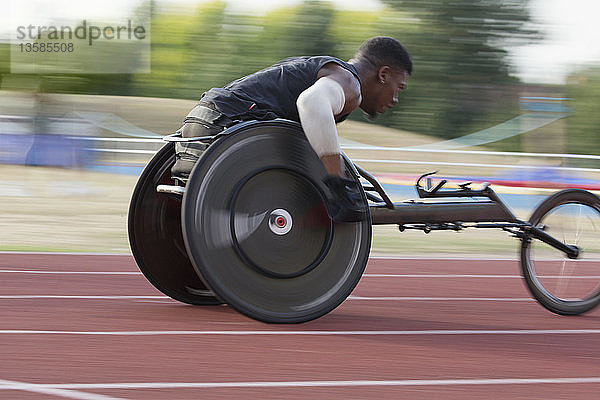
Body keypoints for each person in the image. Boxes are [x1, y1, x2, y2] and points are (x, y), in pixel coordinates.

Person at [172, 36, 412, 222]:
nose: (395, 100)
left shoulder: (321, 67)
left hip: (197, 124)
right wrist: (337, 182)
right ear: (383, 74)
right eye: (398, 88)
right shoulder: (349, 84)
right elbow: (311, 104)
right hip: (227, 126)